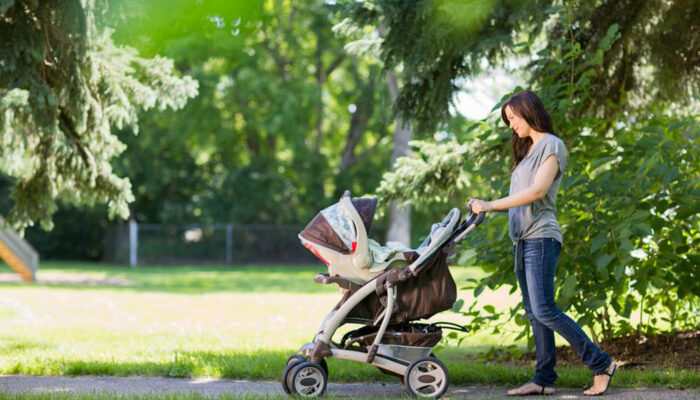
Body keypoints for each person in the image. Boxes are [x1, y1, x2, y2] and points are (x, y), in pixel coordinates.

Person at [468, 90, 616, 396]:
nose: (511, 126)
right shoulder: (527, 153)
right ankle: (544, 379)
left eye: (513, 118)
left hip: (542, 238)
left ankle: (601, 364)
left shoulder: (551, 144)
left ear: (528, 112)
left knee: (545, 309)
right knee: (535, 313)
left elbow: (537, 192)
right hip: (523, 241)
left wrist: (491, 204)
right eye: (507, 121)